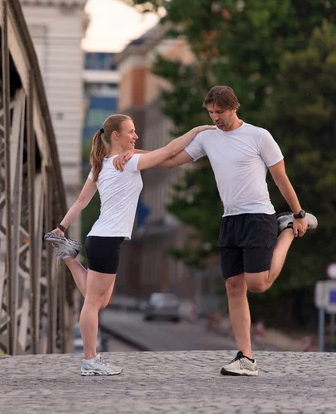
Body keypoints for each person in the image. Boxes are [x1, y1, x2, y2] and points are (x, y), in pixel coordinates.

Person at [114, 85, 317, 376]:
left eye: (219, 112)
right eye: (210, 112)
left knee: (258, 284)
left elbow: (281, 177)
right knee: (234, 287)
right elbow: (170, 160)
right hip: (230, 220)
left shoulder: (259, 136)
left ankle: (285, 230)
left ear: (234, 107)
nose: (215, 117)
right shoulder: (208, 137)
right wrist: (134, 155)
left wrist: (298, 214)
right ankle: (245, 358)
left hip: (259, 216)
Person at [44, 114, 214, 376]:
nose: (135, 136)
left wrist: (63, 227)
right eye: (131, 132)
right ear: (116, 135)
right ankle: (90, 360)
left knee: (101, 299)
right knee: (92, 302)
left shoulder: (101, 164)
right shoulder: (129, 162)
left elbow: (81, 200)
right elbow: (167, 151)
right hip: (106, 239)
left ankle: (68, 255)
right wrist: (198, 128)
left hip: (101, 238)